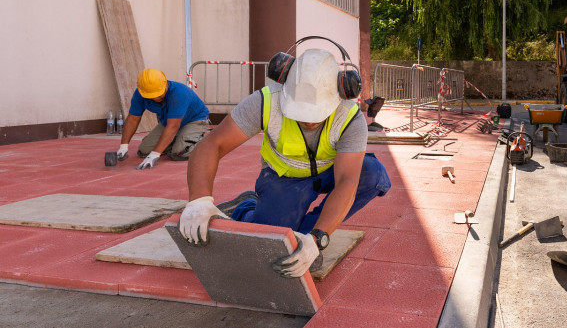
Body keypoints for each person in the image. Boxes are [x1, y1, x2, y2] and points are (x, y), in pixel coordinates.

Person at [179, 48, 391, 277]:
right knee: (269, 239)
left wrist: (317, 238)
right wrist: (199, 200)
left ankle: (305, 239)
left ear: (340, 92)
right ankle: (245, 208)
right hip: (284, 178)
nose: (307, 121)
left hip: (330, 171)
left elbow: (347, 180)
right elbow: (211, 145)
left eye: (315, 114)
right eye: (299, 112)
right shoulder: (266, 101)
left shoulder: (350, 117)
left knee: (372, 174)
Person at [117, 68, 210, 170]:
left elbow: (173, 126)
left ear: (165, 84)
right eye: (151, 95)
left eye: (158, 94)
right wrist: (124, 146)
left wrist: (155, 154)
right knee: (144, 151)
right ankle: (180, 139)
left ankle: (203, 140)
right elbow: (133, 119)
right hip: (169, 121)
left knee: (179, 153)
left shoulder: (179, 93)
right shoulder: (141, 93)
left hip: (194, 120)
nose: (155, 98)